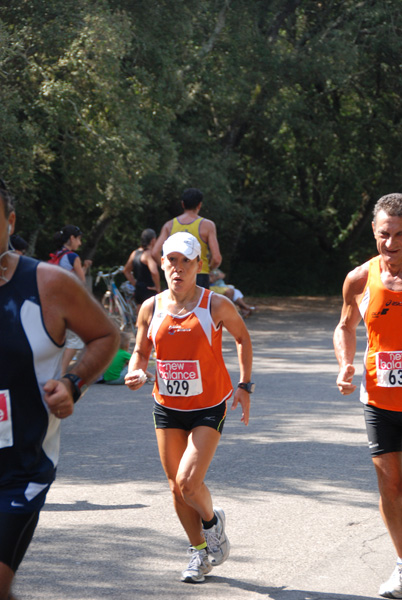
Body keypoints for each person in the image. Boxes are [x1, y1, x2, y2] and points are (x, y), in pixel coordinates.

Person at [0, 179, 119, 600]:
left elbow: (106, 336)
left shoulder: (48, 284)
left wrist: (73, 383)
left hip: (19, 471)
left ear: (10, 221)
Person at [125, 231, 253, 583]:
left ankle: (213, 523)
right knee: (174, 486)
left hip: (209, 404)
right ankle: (199, 553)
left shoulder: (215, 304)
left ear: (199, 265)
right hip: (166, 405)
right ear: (162, 263)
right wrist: (136, 369)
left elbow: (242, 338)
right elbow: (141, 350)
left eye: (185, 262)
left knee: (188, 481)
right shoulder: (150, 307)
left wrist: (244, 385)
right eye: (171, 261)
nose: (177, 269)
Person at [333, 192, 402, 599]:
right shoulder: (360, 278)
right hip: (378, 398)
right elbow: (344, 325)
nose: (391, 243)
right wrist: (345, 362)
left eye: (399, 235)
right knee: (390, 487)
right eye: (383, 234)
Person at [152, 188, 222, 289]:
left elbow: (155, 253)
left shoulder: (169, 225)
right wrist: (208, 268)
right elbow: (216, 258)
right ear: (199, 205)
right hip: (199, 275)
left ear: (183, 204)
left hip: (176, 274)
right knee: (199, 305)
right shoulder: (207, 225)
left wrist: (167, 268)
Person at [50, 225, 93, 374]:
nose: (80, 243)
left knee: (62, 339)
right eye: (79, 239)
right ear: (72, 238)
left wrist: (84, 267)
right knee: (75, 340)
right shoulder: (73, 257)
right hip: (70, 303)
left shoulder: (58, 255)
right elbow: (81, 282)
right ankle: (61, 373)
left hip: (55, 302)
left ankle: (56, 370)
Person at [123, 228, 161, 306]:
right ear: (153, 240)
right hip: (149, 290)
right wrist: (157, 287)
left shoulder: (134, 253)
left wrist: (134, 283)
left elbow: (126, 270)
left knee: (140, 315)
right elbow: (154, 272)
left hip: (138, 290)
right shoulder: (148, 254)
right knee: (151, 316)